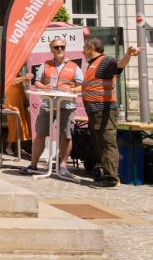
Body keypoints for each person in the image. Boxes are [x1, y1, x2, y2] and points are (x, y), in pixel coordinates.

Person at [80, 37, 139, 188]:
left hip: (104, 110)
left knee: (107, 143)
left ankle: (112, 178)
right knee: (101, 143)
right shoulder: (92, 64)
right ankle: (107, 174)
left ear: (92, 47)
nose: (82, 50)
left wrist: (128, 55)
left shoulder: (105, 61)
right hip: (95, 111)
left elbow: (118, 67)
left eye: (84, 47)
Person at [20, 38, 82, 178]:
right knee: (40, 134)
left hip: (67, 105)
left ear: (65, 48)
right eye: (56, 47)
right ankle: (33, 165)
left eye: (62, 47)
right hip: (48, 104)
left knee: (66, 136)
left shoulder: (74, 66)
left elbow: (81, 85)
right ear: (51, 50)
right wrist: (44, 86)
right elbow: (37, 82)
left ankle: (63, 166)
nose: (60, 49)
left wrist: (71, 91)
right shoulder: (45, 65)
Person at [4, 71, 33, 156]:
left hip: (20, 103)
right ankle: (8, 147)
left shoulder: (19, 74)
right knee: (13, 126)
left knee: (20, 126)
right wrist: (24, 77)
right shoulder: (10, 72)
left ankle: (18, 148)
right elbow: (12, 81)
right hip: (12, 104)